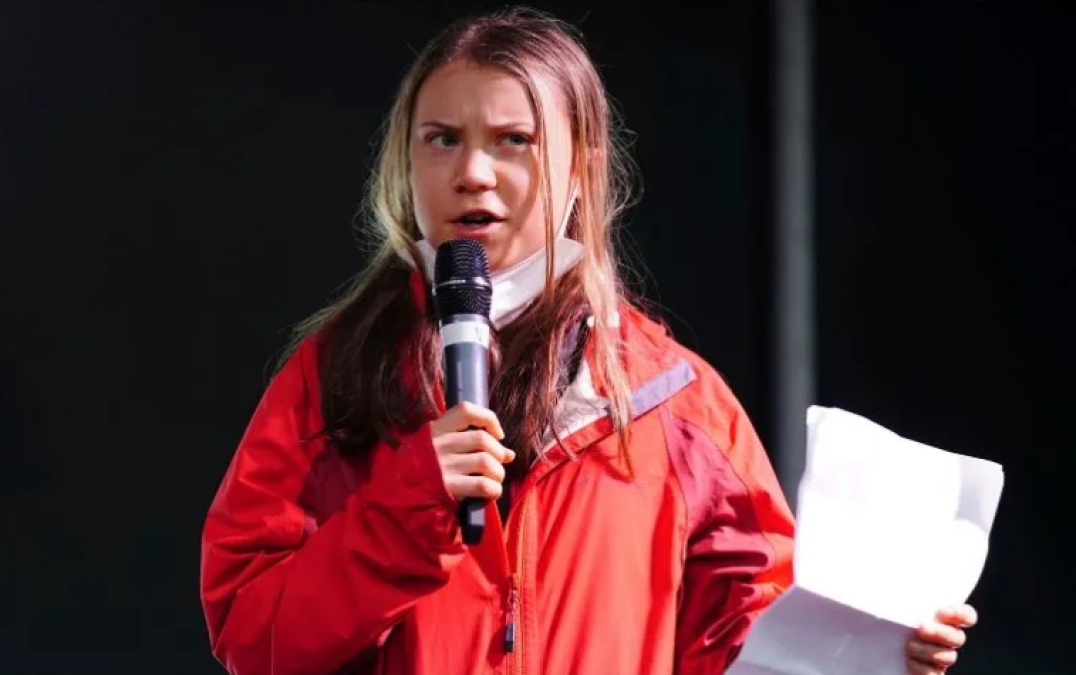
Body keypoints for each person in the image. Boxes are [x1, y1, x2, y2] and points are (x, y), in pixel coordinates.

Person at [199, 6, 978, 675]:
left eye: (514, 140)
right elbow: (249, 636)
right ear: (406, 161)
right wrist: (407, 507)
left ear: (583, 169)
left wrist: (875, 653)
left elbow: (752, 646)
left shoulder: (676, 401)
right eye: (441, 139)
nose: (473, 171)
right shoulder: (331, 379)